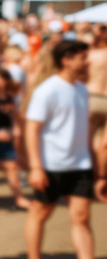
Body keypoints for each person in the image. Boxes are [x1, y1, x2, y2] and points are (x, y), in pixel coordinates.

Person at [24, 40, 95, 259]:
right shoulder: (48, 90)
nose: (87, 62)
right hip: (50, 165)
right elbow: (31, 129)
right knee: (40, 213)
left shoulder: (82, 89)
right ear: (66, 60)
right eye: (82, 58)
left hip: (80, 164)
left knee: (81, 217)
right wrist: (36, 167)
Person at [0, 68, 30, 211]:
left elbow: (14, 115)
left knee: (12, 166)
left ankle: (19, 197)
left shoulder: (10, 97)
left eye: (0, 78)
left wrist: (17, 127)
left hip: (6, 137)